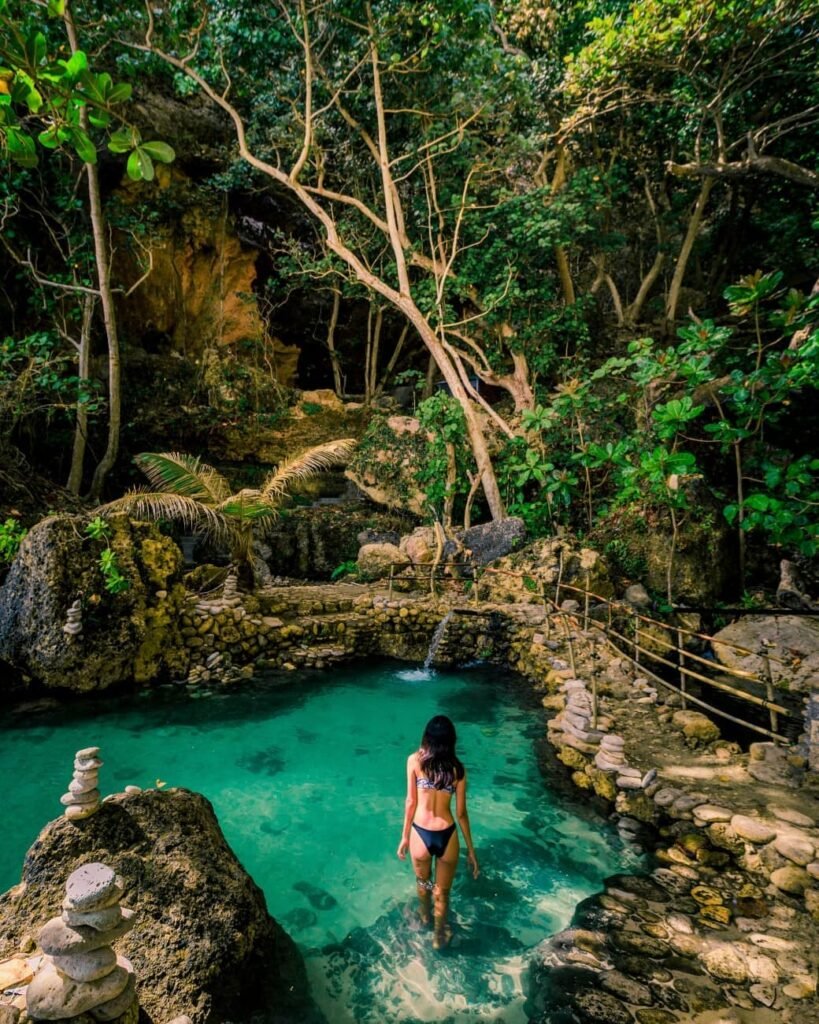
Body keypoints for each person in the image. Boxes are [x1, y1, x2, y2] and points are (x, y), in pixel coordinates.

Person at [397, 715, 479, 948]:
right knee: (442, 892)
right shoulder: (458, 770)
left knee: (423, 884)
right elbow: (462, 813)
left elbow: (410, 802)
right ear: (451, 740)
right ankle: (438, 935)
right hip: (447, 834)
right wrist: (471, 850)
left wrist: (404, 836)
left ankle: (424, 918)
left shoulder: (414, 760)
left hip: (420, 834)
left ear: (427, 737)